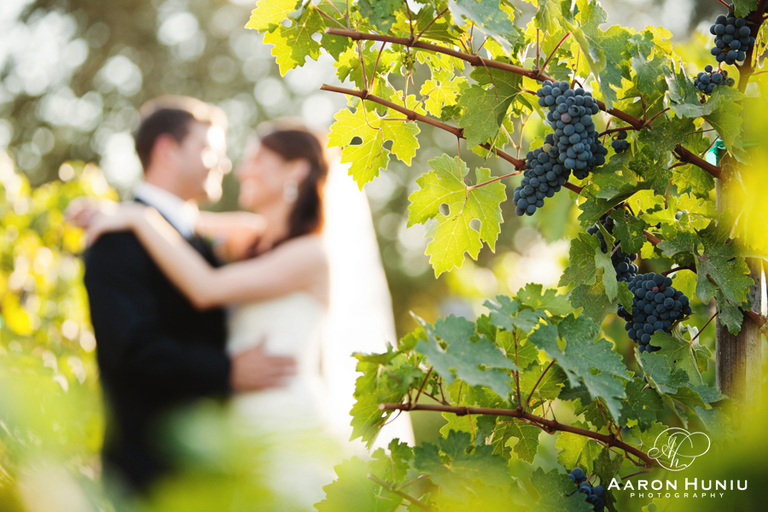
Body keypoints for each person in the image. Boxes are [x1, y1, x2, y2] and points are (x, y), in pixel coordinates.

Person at [72, 119, 415, 508]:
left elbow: (206, 288)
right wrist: (116, 211)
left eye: (258, 160)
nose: (242, 169)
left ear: (296, 170)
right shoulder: (250, 237)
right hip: (237, 420)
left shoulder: (312, 255)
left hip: (285, 415)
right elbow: (181, 223)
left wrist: (138, 218)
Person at [76, 96, 297, 495]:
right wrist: (226, 370)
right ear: (167, 149)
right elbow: (132, 350)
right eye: (209, 150)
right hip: (150, 474)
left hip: (216, 469)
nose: (224, 164)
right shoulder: (116, 242)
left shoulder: (203, 239)